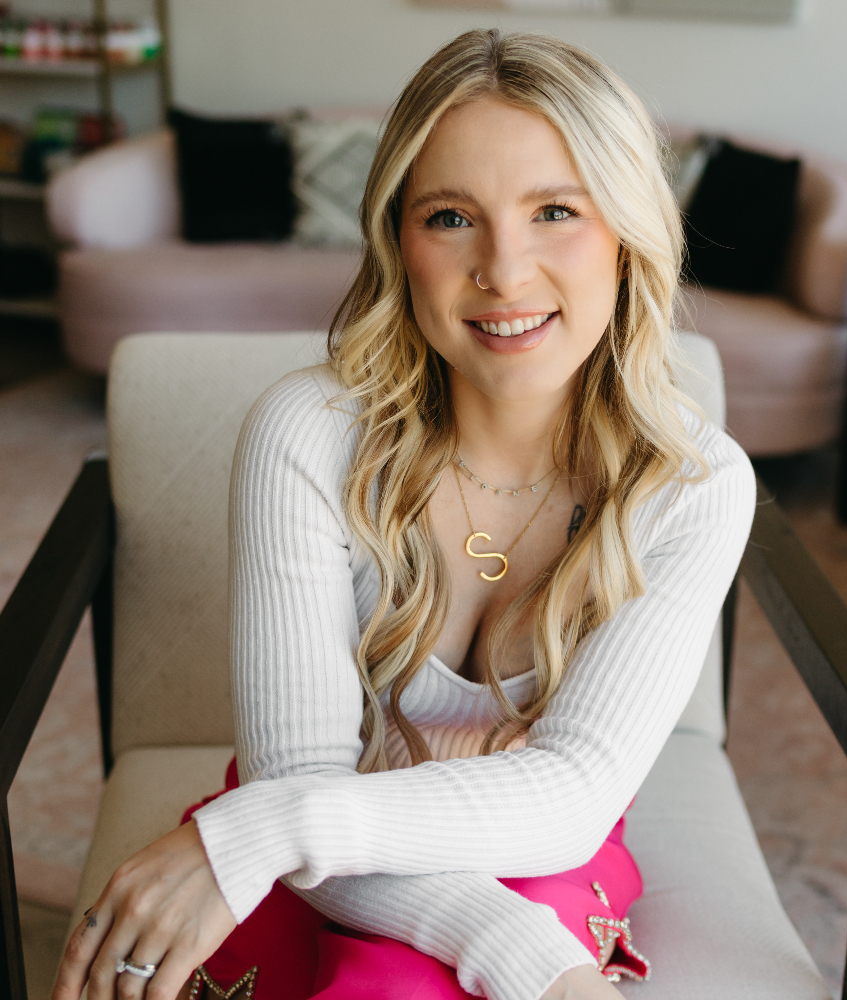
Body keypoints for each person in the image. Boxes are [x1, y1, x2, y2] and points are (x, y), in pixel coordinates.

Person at [52, 28, 755, 1000]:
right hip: (304, 829)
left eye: (555, 209)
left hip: (494, 839)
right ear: (398, 241)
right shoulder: (308, 431)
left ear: (629, 227)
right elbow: (298, 768)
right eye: (451, 217)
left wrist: (249, 837)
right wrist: (535, 964)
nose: (503, 271)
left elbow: (570, 795)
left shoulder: (693, 480)